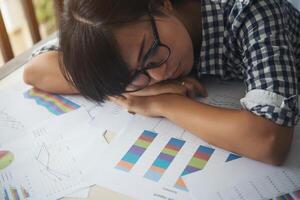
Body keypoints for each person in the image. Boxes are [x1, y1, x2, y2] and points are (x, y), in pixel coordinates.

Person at [23, 0, 300, 165]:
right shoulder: (110, 29)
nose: (158, 75)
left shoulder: (251, 10)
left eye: (151, 52)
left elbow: (268, 139)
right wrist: (123, 84)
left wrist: (164, 103)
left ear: (161, 4)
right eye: (135, 75)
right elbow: (35, 70)